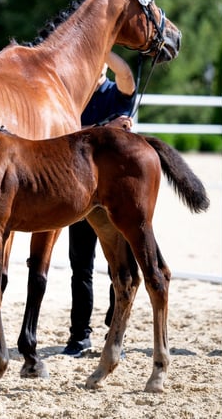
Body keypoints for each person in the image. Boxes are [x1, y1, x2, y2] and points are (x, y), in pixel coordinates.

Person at [63, 51, 136, 356]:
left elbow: (127, 76)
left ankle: (113, 324)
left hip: (115, 190)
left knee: (116, 263)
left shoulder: (115, 92)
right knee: (81, 267)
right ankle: (79, 334)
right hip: (80, 190)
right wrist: (105, 126)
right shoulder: (73, 98)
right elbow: (64, 137)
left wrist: (102, 45)